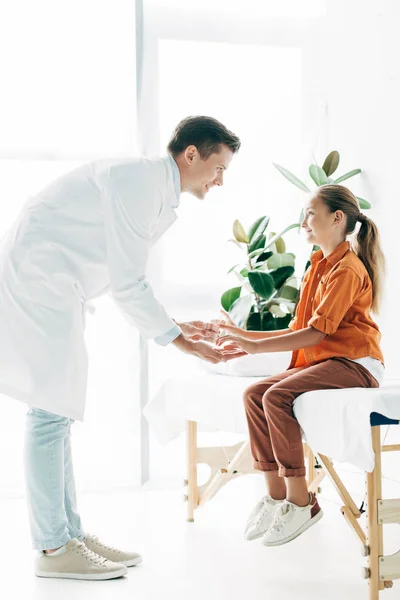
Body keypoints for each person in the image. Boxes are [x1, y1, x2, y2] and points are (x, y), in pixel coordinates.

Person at [0, 116, 243, 579]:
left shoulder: (150, 186)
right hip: (39, 279)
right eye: (219, 168)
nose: (220, 180)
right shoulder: (140, 182)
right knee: (49, 411)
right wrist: (182, 342)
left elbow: (123, 275)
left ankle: (67, 533)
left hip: (52, 282)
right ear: (191, 154)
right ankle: (54, 547)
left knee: (57, 410)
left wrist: (175, 326)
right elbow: (128, 282)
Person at [215, 184, 385, 547]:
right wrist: (242, 335)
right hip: (327, 360)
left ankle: (301, 501)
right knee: (253, 394)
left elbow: (315, 332)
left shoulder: (347, 269)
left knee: (276, 396)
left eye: (310, 213)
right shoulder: (317, 266)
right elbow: (298, 328)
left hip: (357, 363)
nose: (302, 221)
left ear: (337, 218)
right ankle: (277, 497)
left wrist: (253, 346)